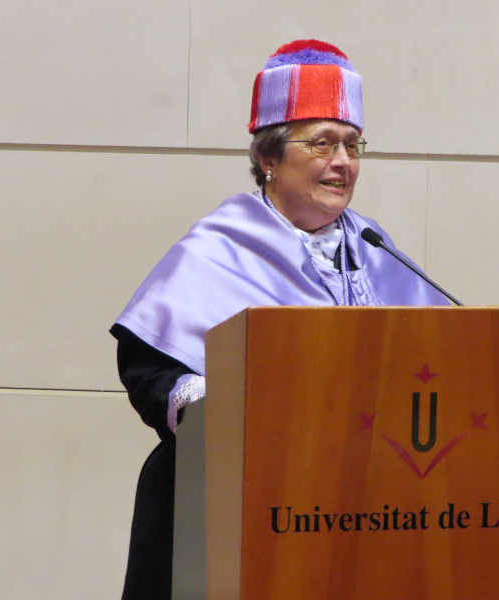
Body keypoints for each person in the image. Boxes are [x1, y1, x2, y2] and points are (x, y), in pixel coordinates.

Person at [110, 39, 449, 600]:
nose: (342, 162)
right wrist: (223, 406)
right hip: (226, 511)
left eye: (352, 145)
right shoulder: (216, 249)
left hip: (357, 513)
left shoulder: (374, 249)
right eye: (322, 144)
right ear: (268, 157)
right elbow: (149, 370)